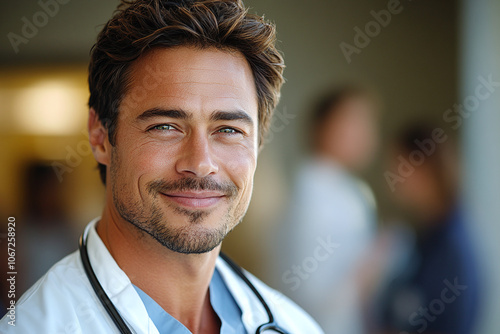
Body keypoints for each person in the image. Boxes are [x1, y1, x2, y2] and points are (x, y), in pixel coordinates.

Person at [0, 0, 324, 333]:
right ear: (100, 137)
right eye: (165, 126)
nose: (200, 164)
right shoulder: (32, 326)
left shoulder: (296, 326)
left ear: (258, 144)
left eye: (228, 130)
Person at [274, 86, 380, 334]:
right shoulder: (311, 195)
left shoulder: (347, 190)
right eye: (355, 121)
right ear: (323, 128)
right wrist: (377, 261)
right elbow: (309, 290)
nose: (368, 133)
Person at [376, 125, 480, 334]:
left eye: (398, 166)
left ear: (423, 168)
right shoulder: (427, 237)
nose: (391, 177)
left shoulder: (449, 249)